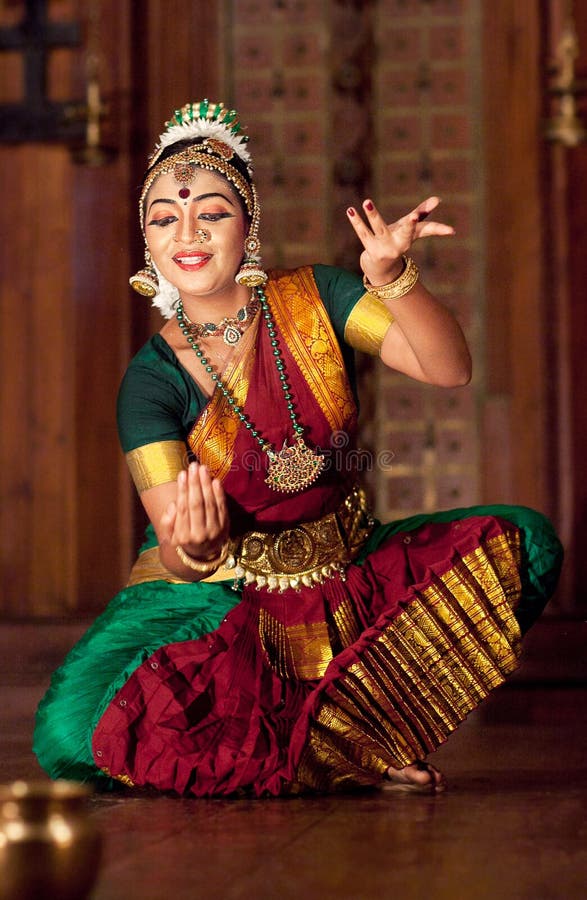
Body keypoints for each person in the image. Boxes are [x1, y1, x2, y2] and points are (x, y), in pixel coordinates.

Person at [34, 101, 562, 797]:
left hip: (345, 571)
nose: (187, 234)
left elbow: (447, 368)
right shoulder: (151, 382)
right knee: (71, 730)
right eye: (164, 218)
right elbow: (177, 544)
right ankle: (339, 747)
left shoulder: (318, 296)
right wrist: (193, 550)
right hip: (226, 593)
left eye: (211, 214)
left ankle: (342, 731)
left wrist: (391, 280)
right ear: (146, 242)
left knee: (523, 543)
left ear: (248, 228)